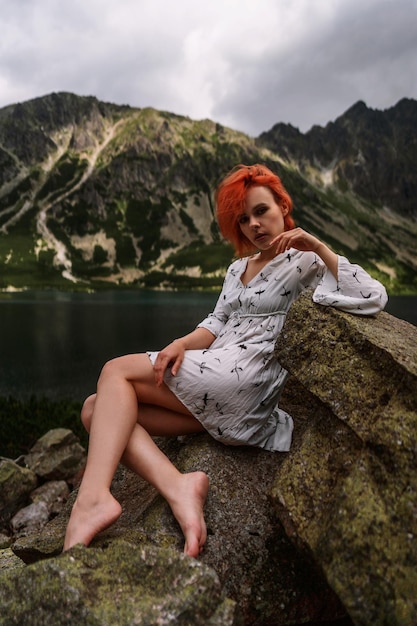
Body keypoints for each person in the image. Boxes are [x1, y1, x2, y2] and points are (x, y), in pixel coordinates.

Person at [63, 163, 387, 558]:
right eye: (244, 219)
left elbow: (372, 295)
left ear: (283, 206)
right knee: (94, 409)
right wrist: (182, 343)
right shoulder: (237, 268)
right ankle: (178, 486)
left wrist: (318, 246)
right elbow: (217, 322)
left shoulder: (304, 261)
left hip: (249, 379)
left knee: (114, 371)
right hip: (217, 375)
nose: (254, 224)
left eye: (262, 211)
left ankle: (93, 498)